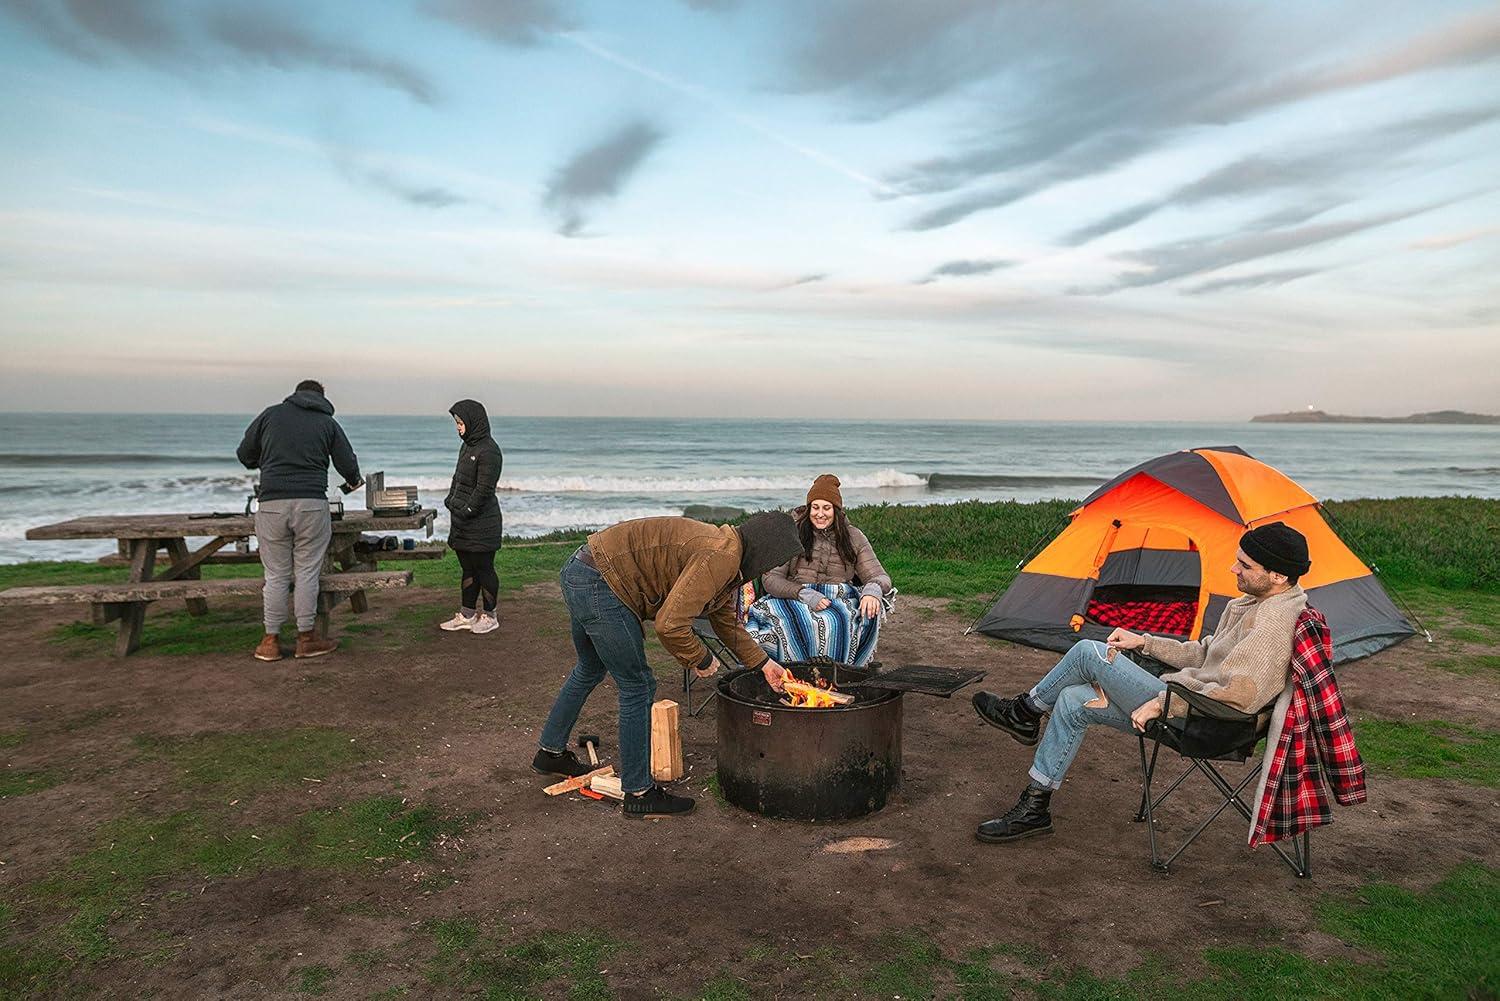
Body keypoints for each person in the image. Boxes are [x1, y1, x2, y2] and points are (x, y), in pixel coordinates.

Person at [969, 522, 1312, 843]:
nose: (1233, 569)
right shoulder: (1257, 602)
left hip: (1206, 722)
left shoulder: (1272, 625)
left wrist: (1162, 704)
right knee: (1074, 700)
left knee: (1090, 652)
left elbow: (1238, 698)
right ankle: (1035, 806)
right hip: (1188, 702)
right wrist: (1144, 642)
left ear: (1278, 575)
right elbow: (1206, 654)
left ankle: (1023, 712)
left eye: (1245, 565)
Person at [534, 513, 804, 819]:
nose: (768, 569)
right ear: (765, 549)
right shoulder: (722, 557)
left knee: (590, 669)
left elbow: (724, 619)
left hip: (583, 571)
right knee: (638, 685)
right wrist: (699, 658)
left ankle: (550, 753)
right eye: (772, 561)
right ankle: (639, 793)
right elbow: (670, 624)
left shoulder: (729, 556)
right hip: (602, 583)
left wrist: (765, 664)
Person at [236, 379, 361, 662]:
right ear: (321, 397)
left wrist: (268, 462)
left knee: (276, 575)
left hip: (271, 504)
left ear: (295, 394)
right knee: (307, 572)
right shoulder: (327, 423)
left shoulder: (270, 415)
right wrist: (353, 481)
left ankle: (270, 641)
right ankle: (306, 638)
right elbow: (348, 465)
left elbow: (245, 454)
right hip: (311, 504)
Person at [749, 474, 893, 667]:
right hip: (795, 596)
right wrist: (803, 594)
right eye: (815, 507)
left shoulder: (854, 537)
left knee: (836, 621)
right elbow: (771, 579)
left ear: (836, 510)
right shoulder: (793, 533)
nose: (820, 514)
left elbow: (879, 575)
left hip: (838, 597)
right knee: (800, 623)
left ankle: (838, 674)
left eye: (827, 508)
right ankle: (796, 676)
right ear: (809, 509)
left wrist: (873, 590)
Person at [438, 400, 503, 635]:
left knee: (484, 568)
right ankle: (467, 615)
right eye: (456, 422)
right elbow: (458, 479)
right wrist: (450, 500)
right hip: (462, 523)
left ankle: (490, 615)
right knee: (468, 569)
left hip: (482, 523)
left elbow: (484, 490)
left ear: (474, 422)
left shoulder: (489, 451)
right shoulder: (467, 447)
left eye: (461, 422)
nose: (458, 427)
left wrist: (466, 511)